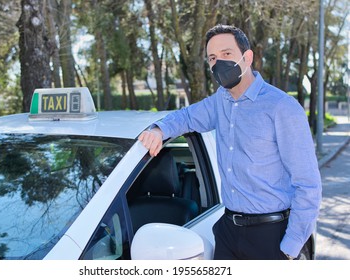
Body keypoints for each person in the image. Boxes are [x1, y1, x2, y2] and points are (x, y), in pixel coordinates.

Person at [138, 24, 322, 260]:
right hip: (227, 231)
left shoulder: (281, 107)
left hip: (270, 235)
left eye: (227, 54)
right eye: (212, 58)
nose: (218, 63)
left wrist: (290, 247)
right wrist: (158, 129)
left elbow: (308, 184)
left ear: (247, 58)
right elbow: (186, 116)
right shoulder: (219, 101)